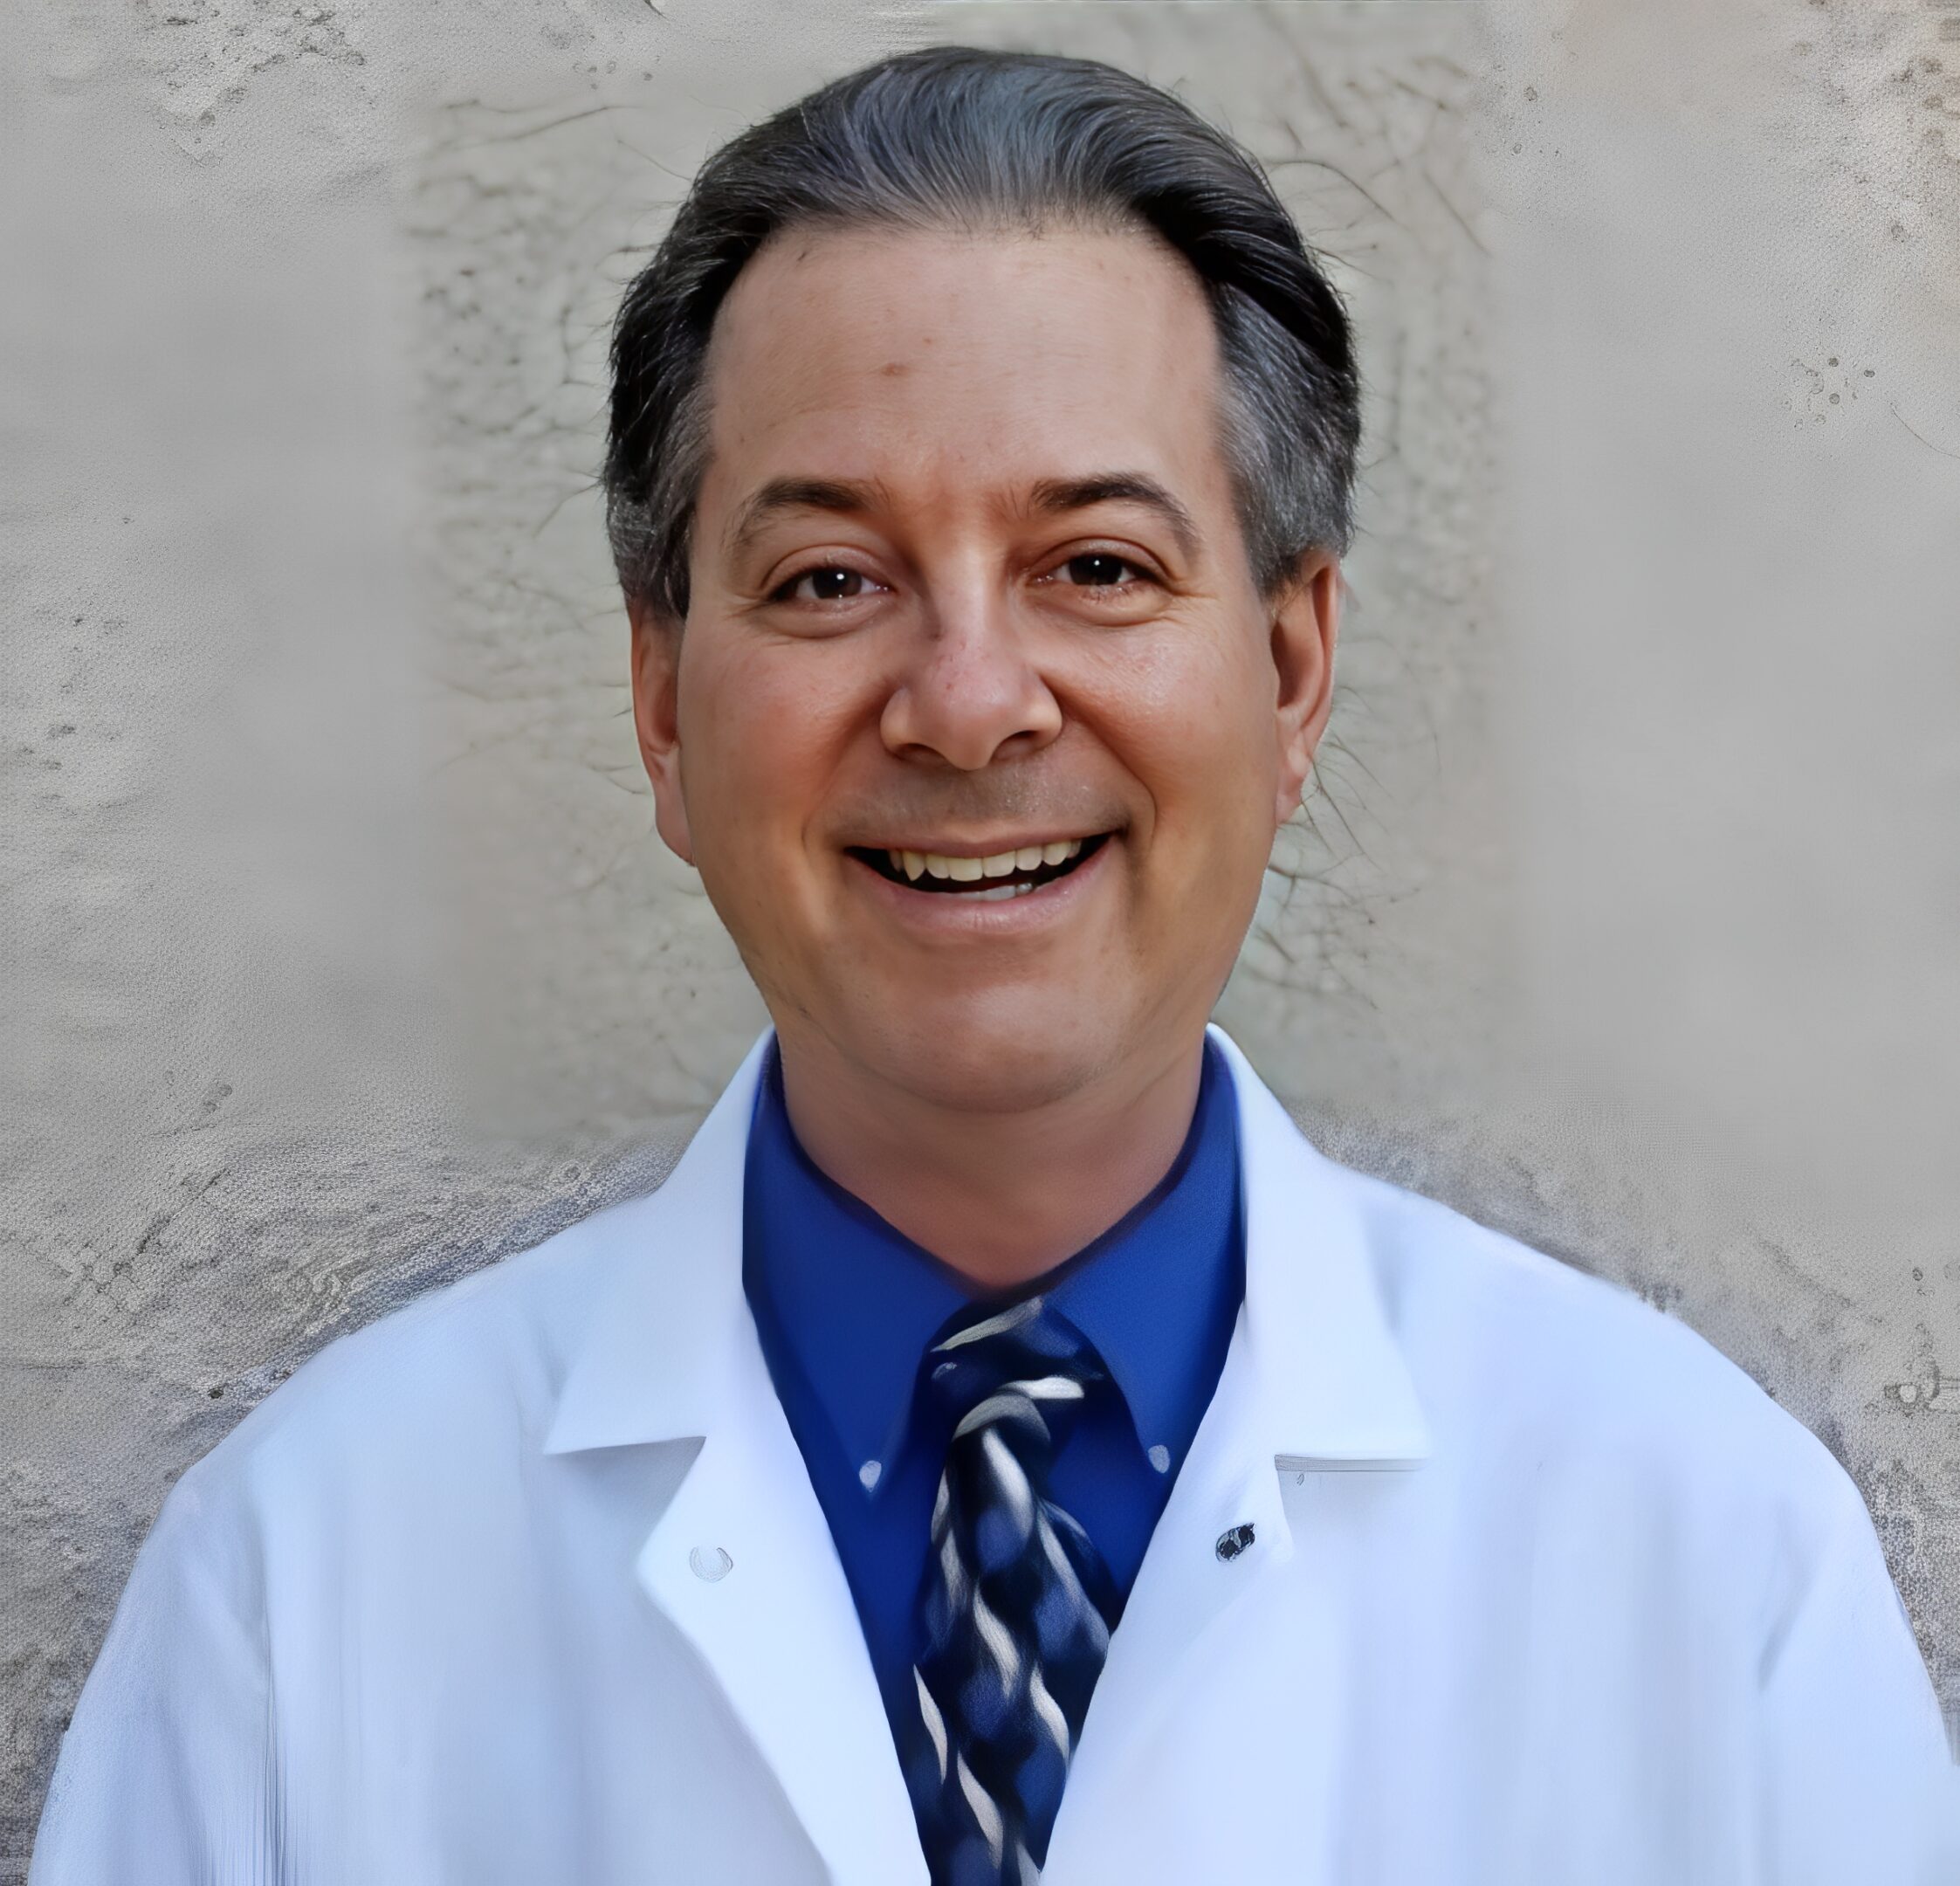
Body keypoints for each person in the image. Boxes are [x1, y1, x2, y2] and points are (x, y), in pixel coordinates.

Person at [29, 43, 1957, 1886]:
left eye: (1097, 567)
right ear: (660, 706)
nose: (965, 705)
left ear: (1289, 676)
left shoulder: (1705, 1558)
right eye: (826, 582)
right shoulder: (298, 1590)